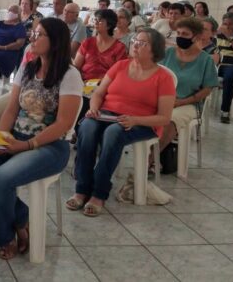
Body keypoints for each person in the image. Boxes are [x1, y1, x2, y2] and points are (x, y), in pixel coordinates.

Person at [0, 18, 82, 259]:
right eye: (33, 34)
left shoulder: (70, 75)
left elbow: (63, 124)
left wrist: (25, 146)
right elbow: (11, 109)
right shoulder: (28, 67)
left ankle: (4, 236)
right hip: (17, 137)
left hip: (49, 146)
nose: (33, 38)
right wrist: (3, 138)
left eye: (39, 35)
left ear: (56, 42)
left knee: (0, 179)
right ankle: (21, 217)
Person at [67, 28, 176, 216]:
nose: (135, 45)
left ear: (155, 50)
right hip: (107, 114)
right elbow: (99, 93)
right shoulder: (120, 66)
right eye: (135, 41)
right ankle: (82, 188)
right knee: (87, 125)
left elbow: (164, 117)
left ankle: (99, 193)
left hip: (142, 122)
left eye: (142, 43)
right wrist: (93, 108)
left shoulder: (163, 77)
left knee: (113, 132)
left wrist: (135, 120)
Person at [159, 18, 218, 152]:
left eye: (185, 34)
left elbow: (207, 89)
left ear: (196, 37)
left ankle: (150, 161)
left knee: (169, 120)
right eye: (178, 33)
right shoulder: (168, 54)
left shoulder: (205, 60)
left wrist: (181, 102)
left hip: (189, 104)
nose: (180, 37)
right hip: (164, 100)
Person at [72, 9, 128, 121]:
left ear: (109, 25)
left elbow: (119, 74)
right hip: (84, 83)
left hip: (105, 85)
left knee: (87, 100)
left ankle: (80, 128)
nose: (96, 22)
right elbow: (76, 67)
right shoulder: (87, 43)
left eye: (100, 21)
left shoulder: (119, 48)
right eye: (95, 19)